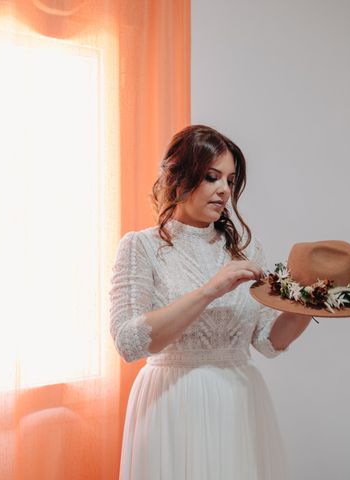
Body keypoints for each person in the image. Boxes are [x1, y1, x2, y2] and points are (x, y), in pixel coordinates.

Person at [109, 125, 313, 480]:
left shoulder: (246, 249)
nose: (224, 190)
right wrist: (209, 290)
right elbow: (129, 342)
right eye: (211, 177)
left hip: (240, 401)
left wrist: (309, 305)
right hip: (173, 402)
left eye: (230, 181)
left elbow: (267, 339)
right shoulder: (140, 247)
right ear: (179, 177)